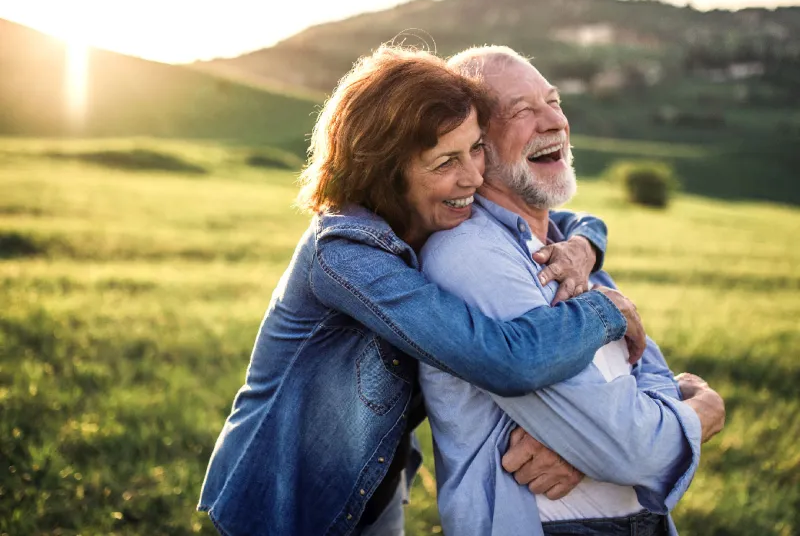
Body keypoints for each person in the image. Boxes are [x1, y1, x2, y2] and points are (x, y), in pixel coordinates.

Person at [197, 46, 648, 536]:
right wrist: (605, 311)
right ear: (386, 172)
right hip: (285, 501)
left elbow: (564, 219)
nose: (474, 176)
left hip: (374, 487)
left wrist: (583, 246)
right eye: (445, 161)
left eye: (476, 148)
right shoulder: (345, 255)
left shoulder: (430, 215)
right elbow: (503, 360)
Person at [418, 45, 726, 536]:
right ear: (476, 146)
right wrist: (701, 412)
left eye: (554, 101)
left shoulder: (568, 249)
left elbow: (647, 372)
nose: (555, 122)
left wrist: (591, 448)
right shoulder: (470, 255)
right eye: (522, 110)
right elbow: (630, 449)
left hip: (642, 521)